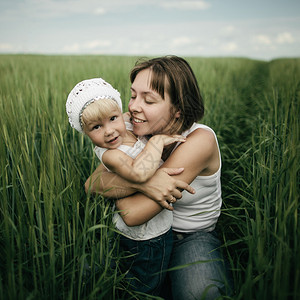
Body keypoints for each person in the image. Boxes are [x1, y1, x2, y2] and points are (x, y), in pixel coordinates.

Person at [85, 56, 233, 299]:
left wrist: (128, 177)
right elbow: (92, 183)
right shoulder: (130, 124)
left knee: (200, 293)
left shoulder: (199, 141)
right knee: (89, 277)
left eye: (149, 100)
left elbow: (131, 212)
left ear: (178, 110)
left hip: (188, 235)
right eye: (133, 95)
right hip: (144, 236)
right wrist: (146, 179)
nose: (133, 107)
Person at [66, 77, 189, 296]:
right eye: (96, 127)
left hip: (153, 228)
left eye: (113, 118)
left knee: (141, 274)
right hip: (146, 237)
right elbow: (139, 173)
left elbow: (125, 116)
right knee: (146, 284)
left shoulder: (126, 125)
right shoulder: (110, 154)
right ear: (86, 133)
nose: (109, 131)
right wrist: (156, 142)